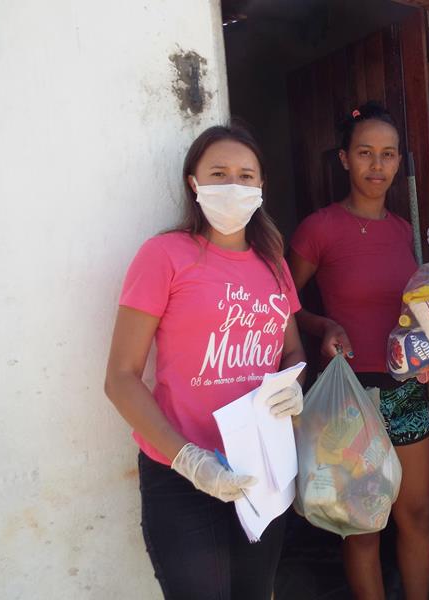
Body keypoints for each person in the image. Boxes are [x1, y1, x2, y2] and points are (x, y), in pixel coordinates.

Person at [104, 124, 306, 599]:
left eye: (246, 176)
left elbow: (291, 348)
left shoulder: (272, 263)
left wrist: (293, 385)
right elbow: (120, 377)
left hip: (260, 471)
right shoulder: (165, 256)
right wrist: (187, 459)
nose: (234, 185)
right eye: (218, 173)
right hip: (183, 476)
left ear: (261, 187)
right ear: (194, 183)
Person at [289, 101, 429, 600]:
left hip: (405, 390)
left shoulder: (404, 231)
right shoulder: (319, 228)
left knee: (415, 515)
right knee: (363, 524)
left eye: (388, 155)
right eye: (366, 153)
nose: (378, 165)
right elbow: (280, 306)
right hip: (349, 397)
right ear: (345, 158)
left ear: (398, 162)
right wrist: (323, 324)